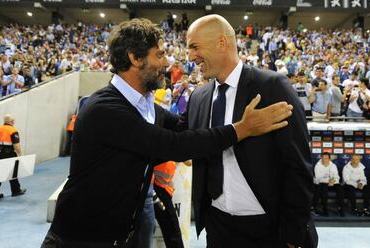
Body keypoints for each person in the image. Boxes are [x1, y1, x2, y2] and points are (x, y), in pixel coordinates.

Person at [41, 18, 293, 248]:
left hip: (122, 236)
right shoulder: (104, 108)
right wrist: (242, 129)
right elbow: (172, 145)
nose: (167, 62)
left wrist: (212, 100)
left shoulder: (145, 107)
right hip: (79, 240)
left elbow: (186, 127)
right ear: (135, 58)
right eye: (159, 55)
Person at [186, 15, 317, 248]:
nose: (190, 56)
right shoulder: (198, 97)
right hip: (218, 228)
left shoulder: (272, 86)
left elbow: (298, 165)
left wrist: (292, 233)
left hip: (270, 231)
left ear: (222, 43)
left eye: (195, 47)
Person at [0, 114, 26, 201]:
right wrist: (21, 155)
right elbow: (16, 145)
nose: (14, 122)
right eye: (13, 121)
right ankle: (16, 190)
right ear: (11, 121)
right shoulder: (13, 130)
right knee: (13, 172)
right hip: (9, 153)